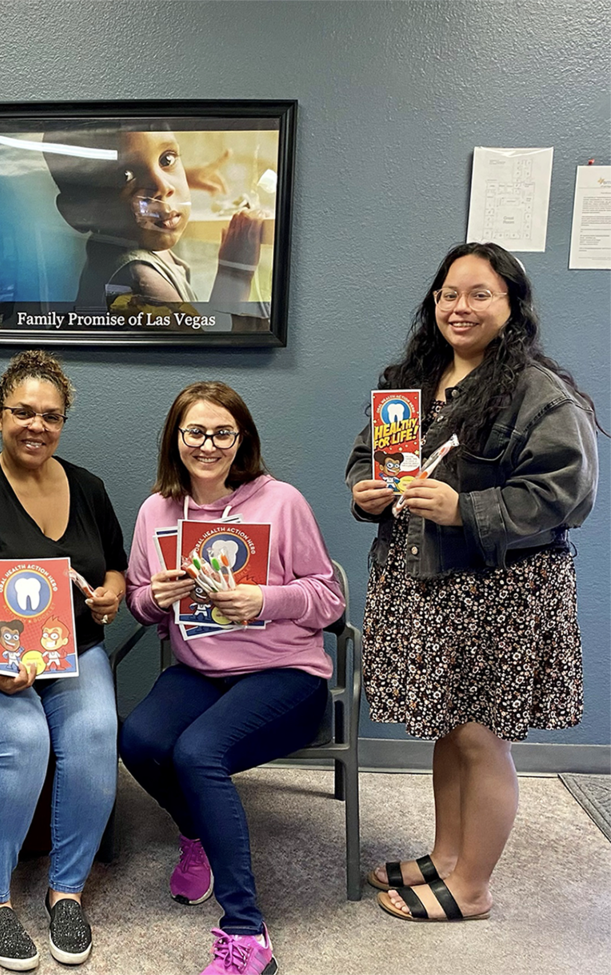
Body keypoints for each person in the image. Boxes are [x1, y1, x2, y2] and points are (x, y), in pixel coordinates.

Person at [346, 242, 599, 923]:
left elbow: (569, 493)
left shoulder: (539, 393)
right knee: (448, 728)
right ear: (434, 304)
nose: (460, 307)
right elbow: (367, 456)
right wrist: (364, 490)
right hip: (422, 580)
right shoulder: (410, 378)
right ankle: (446, 855)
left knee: (480, 734)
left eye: (479, 293)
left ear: (511, 305)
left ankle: (473, 884)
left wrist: (467, 509)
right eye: (448, 294)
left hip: (499, 593)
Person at [120, 381, 343, 975]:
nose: (209, 444)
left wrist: (265, 600)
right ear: (177, 440)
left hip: (285, 673)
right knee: (138, 740)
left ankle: (247, 932)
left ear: (241, 439)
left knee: (197, 753)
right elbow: (139, 604)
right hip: (202, 670)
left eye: (223, 432)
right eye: (195, 432)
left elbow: (330, 598)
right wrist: (156, 598)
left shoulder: (282, 501)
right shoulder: (156, 511)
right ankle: (196, 838)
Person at [0, 350, 125, 971]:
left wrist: (110, 595)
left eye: (51, 416)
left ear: (64, 422)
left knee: (94, 731)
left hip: (68, 649)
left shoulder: (88, 488)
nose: (37, 426)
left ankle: (67, 892)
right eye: (23, 413)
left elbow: (112, 566)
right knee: (23, 736)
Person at [44, 128, 266, 327]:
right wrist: (235, 271)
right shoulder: (141, 282)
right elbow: (205, 351)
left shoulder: (116, 240)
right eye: (125, 176)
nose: (164, 186)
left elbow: (115, 195)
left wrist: (185, 175)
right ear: (80, 214)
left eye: (166, 160)